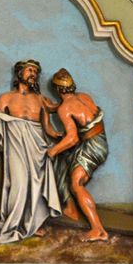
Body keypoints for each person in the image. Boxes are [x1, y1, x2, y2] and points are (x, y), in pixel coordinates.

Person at [0, 60, 62, 243]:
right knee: (19, 184)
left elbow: (47, 127)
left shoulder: (40, 99)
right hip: (15, 147)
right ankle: (13, 224)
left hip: (37, 148)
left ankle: (32, 224)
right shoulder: (6, 98)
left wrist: (61, 137)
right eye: (30, 70)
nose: (33, 74)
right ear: (19, 73)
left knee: (36, 185)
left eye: (36, 72)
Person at [47, 68, 109, 242]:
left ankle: (98, 229)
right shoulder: (84, 96)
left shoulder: (64, 109)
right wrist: (54, 108)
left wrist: (52, 151)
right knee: (64, 160)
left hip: (91, 147)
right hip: (100, 142)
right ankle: (70, 208)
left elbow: (73, 138)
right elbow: (80, 112)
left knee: (76, 184)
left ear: (57, 89)